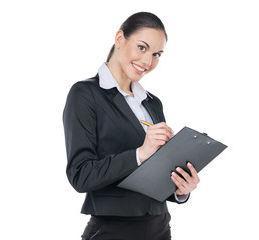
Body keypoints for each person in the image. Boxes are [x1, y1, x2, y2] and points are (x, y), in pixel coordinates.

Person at [63, 12, 200, 240]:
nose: (148, 62)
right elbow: (80, 175)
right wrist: (140, 154)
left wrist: (179, 189)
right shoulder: (85, 94)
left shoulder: (152, 103)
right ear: (119, 39)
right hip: (113, 229)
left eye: (157, 54)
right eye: (142, 48)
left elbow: (154, 178)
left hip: (159, 228)